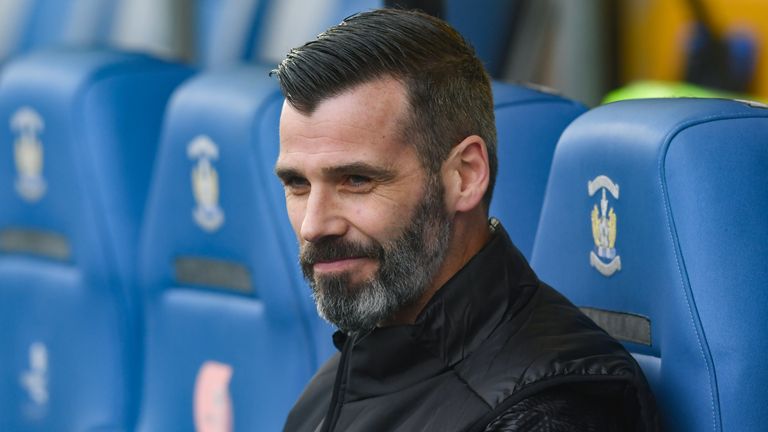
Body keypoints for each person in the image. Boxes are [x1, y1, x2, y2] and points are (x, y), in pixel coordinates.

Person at [272, 8, 658, 432]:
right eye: (297, 184)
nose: (313, 225)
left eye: (356, 180)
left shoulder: (551, 407)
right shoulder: (341, 377)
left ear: (465, 175)